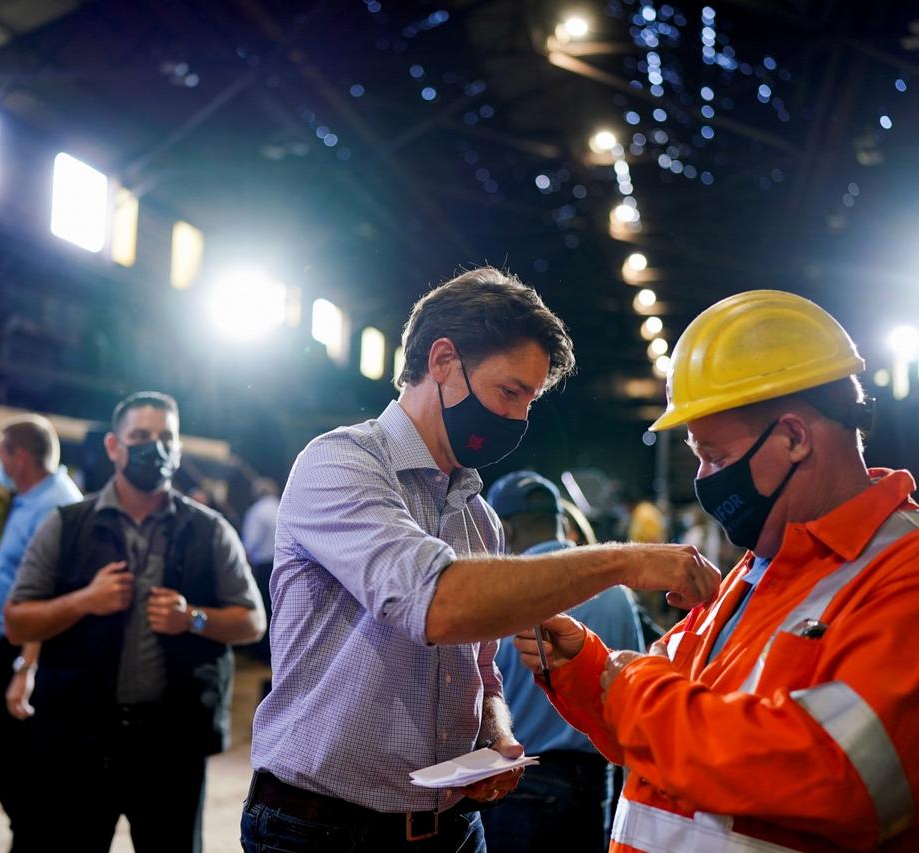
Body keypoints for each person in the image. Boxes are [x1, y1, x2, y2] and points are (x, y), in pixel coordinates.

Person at [514, 290, 919, 851]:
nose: (705, 478)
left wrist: (631, 688)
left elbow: (838, 776)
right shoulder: (758, 569)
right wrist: (586, 670)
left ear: (793, 438)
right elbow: (671, 724)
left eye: (717, 457)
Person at [243, 267, 719, 852]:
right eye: (509, 392)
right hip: (324, 829)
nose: (519, 418)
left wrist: (495, 730)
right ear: (443, 361)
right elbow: (436, 603)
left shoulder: (480, 516)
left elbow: (482, 669)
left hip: (452, 828)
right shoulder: (340, 464)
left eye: (530, 400)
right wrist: (621, 563)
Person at [3, 391, 265, 852]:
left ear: (179, 449)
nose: (155, 447)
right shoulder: (67, 526)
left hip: (172, 744)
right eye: (140, 436)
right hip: (79, 740)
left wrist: (193, 619)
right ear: (113, 446)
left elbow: (252, 621)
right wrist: (84, 600)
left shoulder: (209, 530)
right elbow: (18, 622)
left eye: (166, 437)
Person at [480, 470, 649, 853]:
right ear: (560, 517)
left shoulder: (504, 590)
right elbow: (629, 684)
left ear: (504, 526)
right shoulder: (616, 589)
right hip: (598, 780)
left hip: (525, 782)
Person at [0, 415, 82, 850]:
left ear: (18, 457)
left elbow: (50, 591)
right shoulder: (30, 499)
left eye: (0, 453)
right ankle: (30, 832)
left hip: (30, 652)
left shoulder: (56, 506)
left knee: (12, 757)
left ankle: (35, 835)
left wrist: (25, 663)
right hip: (5, 643)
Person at [240, 477, 280, 663]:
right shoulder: (282, 505)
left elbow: (249, 545)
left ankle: (263, 654)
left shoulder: (256, 512)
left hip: (265, 567)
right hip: (284, 564)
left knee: (265, 608)